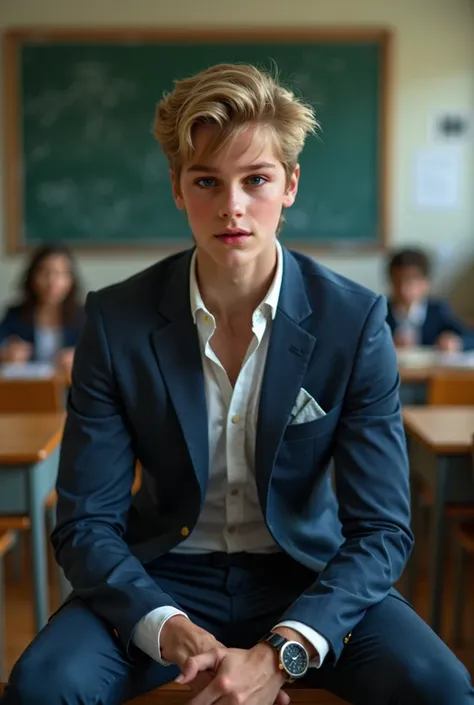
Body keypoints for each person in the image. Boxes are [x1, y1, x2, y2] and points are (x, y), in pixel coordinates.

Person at [2, 64, 473, 705]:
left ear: (290, 186)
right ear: (177, 187)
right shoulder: (115, 321)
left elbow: (383, 529)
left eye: (256, 180)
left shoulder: (353, 321)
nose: (232, 206)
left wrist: (285, 650)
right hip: (161, 575)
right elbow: (85, 523)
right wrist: (168, 628)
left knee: (441, 688)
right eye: (207, 181)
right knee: (40, 687)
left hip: (307, 576)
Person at [0, 243, 84, 377]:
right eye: (45, 273)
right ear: (32, 278)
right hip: (28, 390)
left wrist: (81, 358)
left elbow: (103, 357)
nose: (52, 282)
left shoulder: (84, 316)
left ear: (71, 279)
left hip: (71, 392)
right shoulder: (15, 314)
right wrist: (6, 354)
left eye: (60, 273)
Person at [386, 247, 474, 351]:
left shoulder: (437, 311)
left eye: (410, 281)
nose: (403, 288)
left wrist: (457, 342)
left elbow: (470, 337)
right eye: (397, 281)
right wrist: (386, 343)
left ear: (426, 283)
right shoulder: (381, 312)